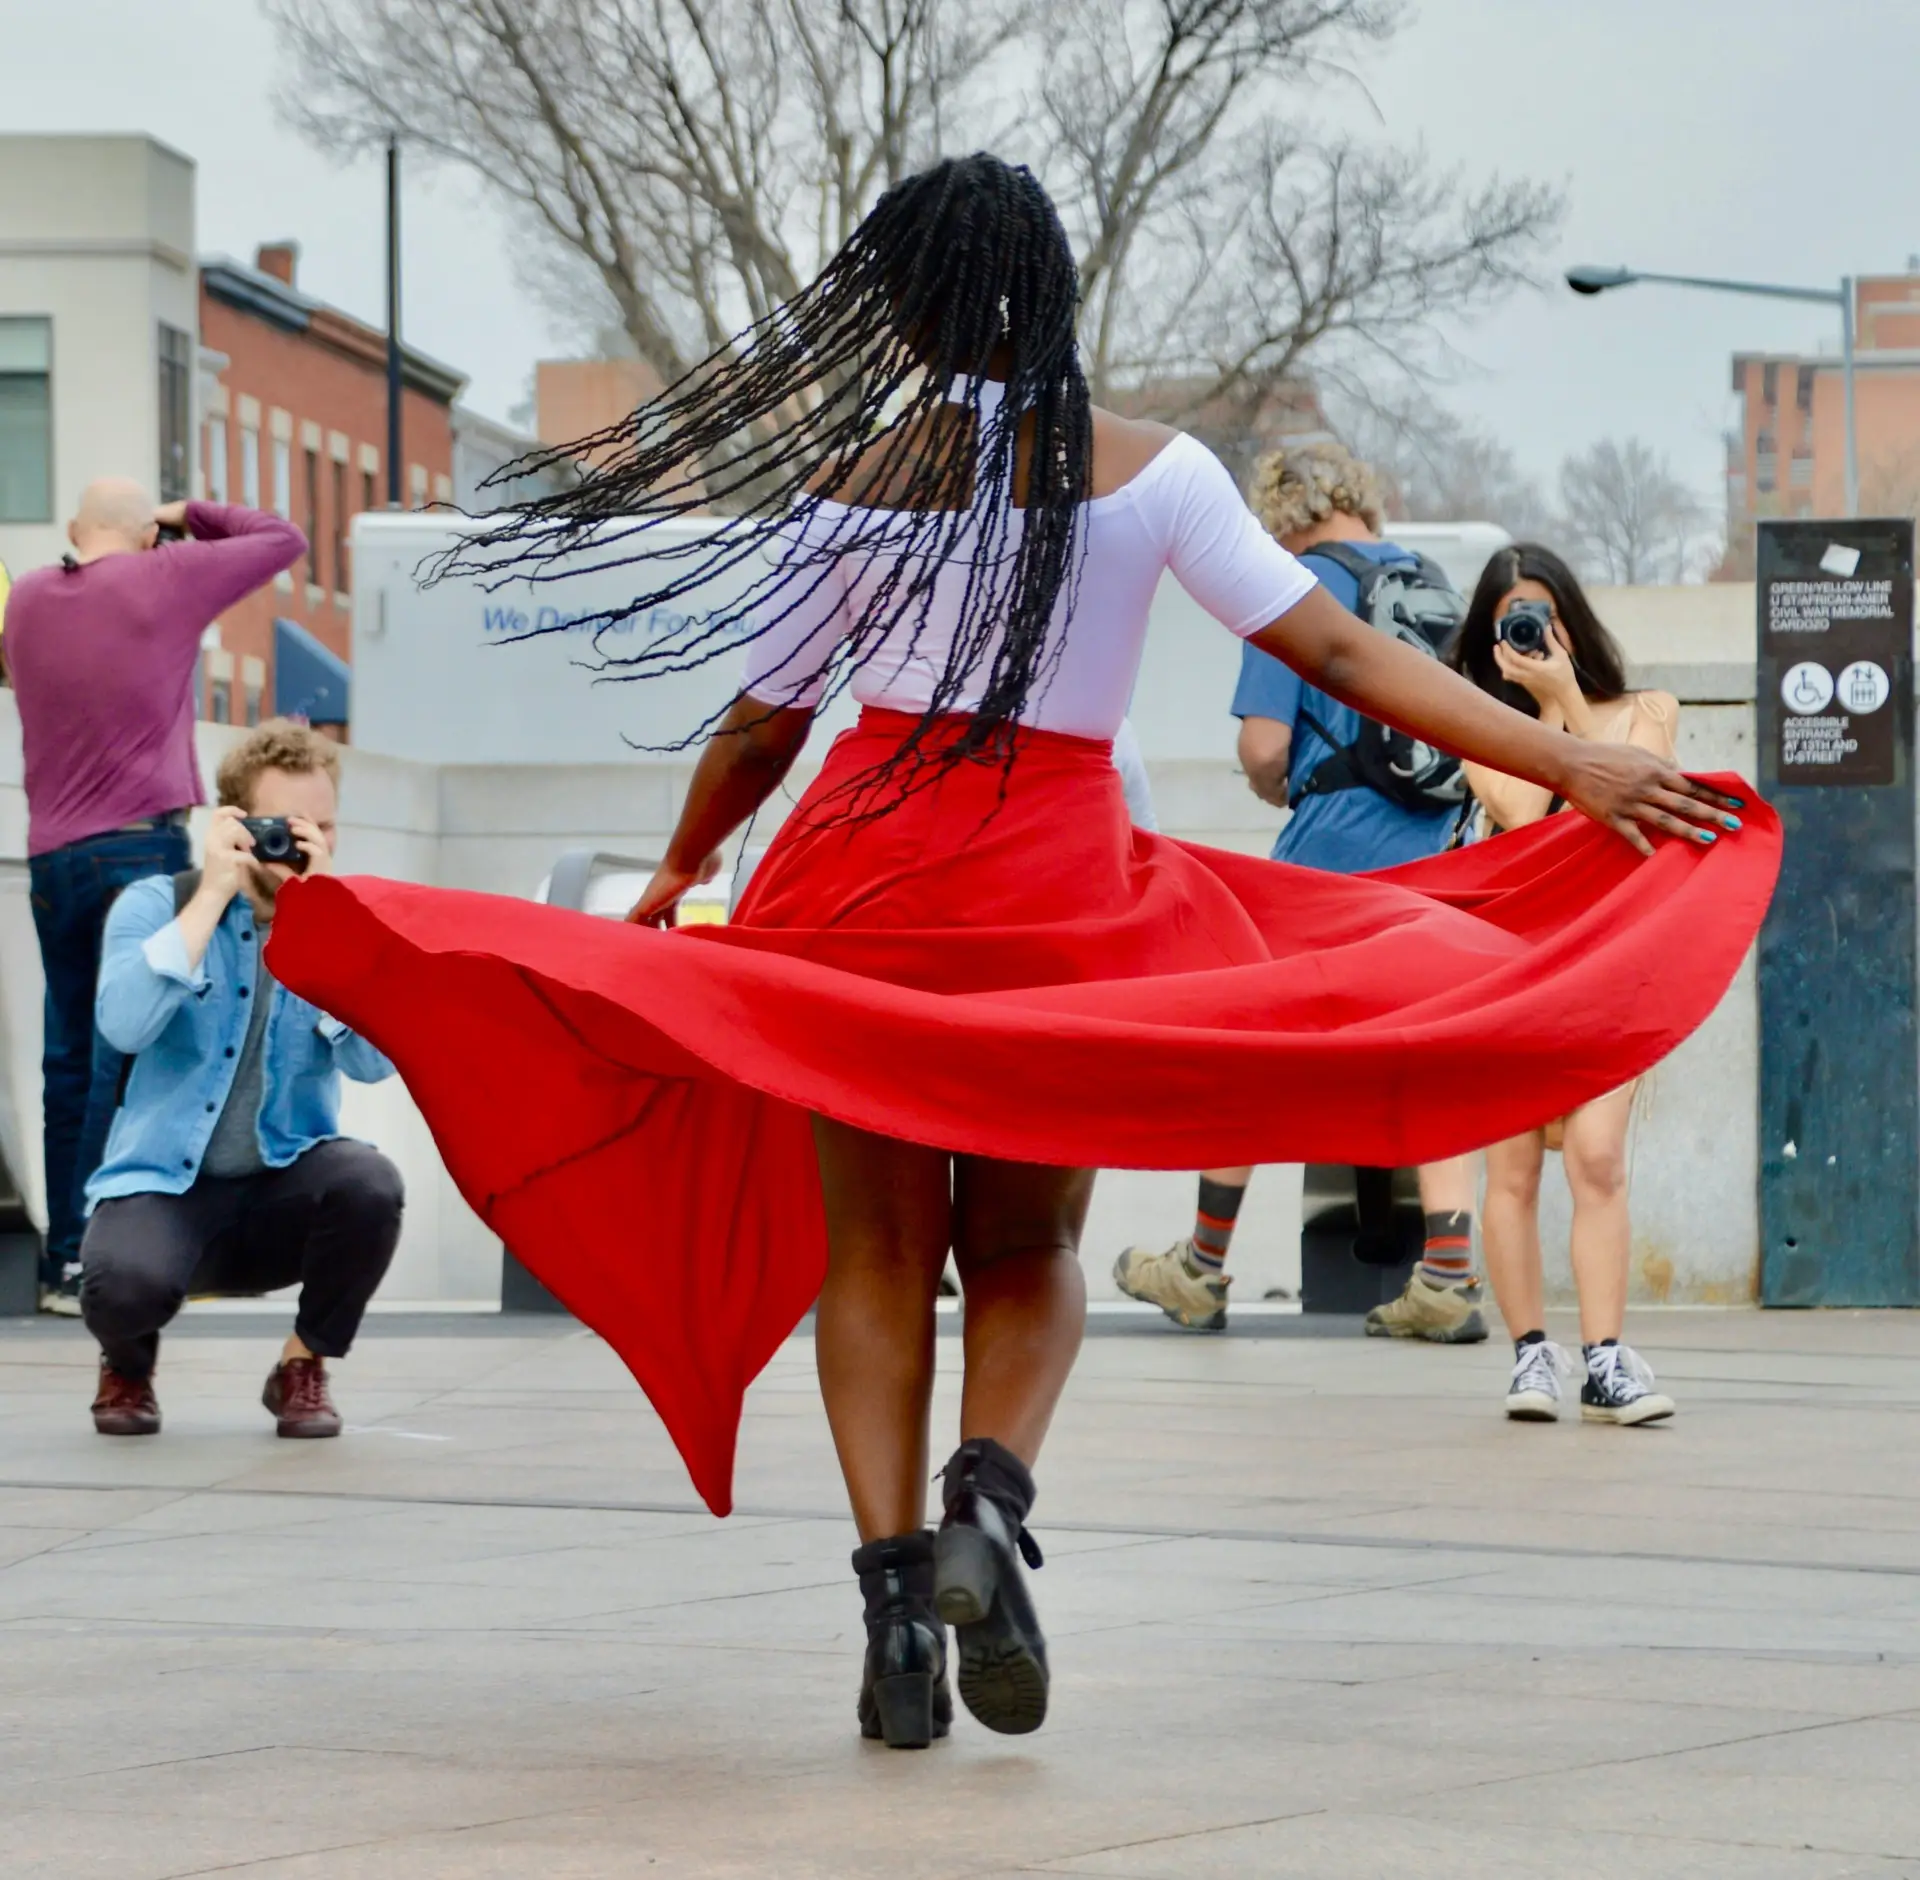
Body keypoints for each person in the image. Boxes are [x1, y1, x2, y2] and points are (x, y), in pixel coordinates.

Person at [266, 154, 1768, 1750]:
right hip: (1058, 886)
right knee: (1029, 1246)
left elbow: (769, 723)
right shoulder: (1155, 471)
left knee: (873, 1256)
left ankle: (894, 1615)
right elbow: (1335, 647)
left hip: (857, 883)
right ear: (1054, 289)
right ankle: (985, 1506)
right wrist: (1570, 763)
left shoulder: (858, 477)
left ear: (906, 306)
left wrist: (689, 866)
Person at [1114, 441, 1479, 1341]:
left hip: (1329, 865)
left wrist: (1282, 785)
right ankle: (1448, 1275)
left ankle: (1200, 1267)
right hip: (1436, 857)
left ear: (1279, 514)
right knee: (1426, 1058)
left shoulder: (1294, 587)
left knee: (1255, 1046)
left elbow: (1264, 745)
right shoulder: (1431, 581)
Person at [2, 482, 304, 1310]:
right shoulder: (163, 576)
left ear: (74, 529)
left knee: (67, 1058)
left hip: (52, 859)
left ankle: (65, 1264)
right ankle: (112, 1252)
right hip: (139, 847)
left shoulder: (27, 600)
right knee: (130, 1056)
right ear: (145, 536)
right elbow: (280, 538)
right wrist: (185, 518)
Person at [80, 721, 403, 1440]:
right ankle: (127, 1364)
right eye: (282, 827)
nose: (302, 843)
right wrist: (210, 897)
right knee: (121, 1284)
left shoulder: (348, 928)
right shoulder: (155, 905)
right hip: (164, 1188)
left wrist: (325, 929)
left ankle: (301, 1363)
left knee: (370, 1184)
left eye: (321, 826)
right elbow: (123, 1025)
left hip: (281, 1188)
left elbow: (373, 1063)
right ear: (232, 823)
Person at [1449, 543, 1683, 1426]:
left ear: (1573, 621)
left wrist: (1569, 702)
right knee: (1509, 1169)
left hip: (1608, 969)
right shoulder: (1480, 729)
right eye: (1512, 621)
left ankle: (1607, 1360)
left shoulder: (1647, 710)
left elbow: (1638, 815)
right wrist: (1540, 712)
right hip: (1511, 967)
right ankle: (1530, 1355)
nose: (1531, 633)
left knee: (1597, 1157)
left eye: (1542, 616)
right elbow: (1524, 815)